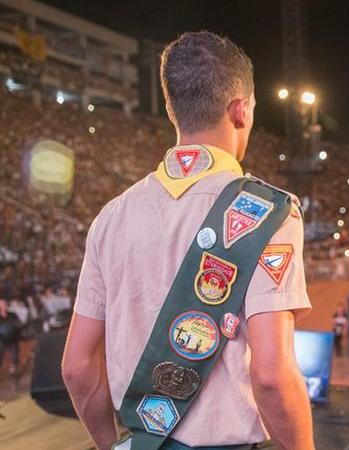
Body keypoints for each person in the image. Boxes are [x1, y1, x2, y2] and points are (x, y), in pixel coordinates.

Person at [62, 32, 314, 450]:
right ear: (241, 110)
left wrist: (111, 445)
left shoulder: (111, 216)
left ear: (171, 110)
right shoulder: (269, 211)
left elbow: (76, 366)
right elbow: (271, 377)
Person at [0, 298, 22, 375]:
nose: (3, 306)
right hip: (1, 339)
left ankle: (14, 367)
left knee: (15, 353)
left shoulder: (12, 315)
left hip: (12, 338)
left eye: (4, 304)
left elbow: (19, 324)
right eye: (1, 305)